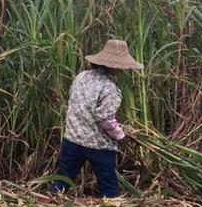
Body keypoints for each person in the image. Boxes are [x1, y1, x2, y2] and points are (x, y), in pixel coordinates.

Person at [50, 39, 142, 198]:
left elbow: (73, 99)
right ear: (115, 67)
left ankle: (49, 203)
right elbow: (104, 119)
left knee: (63, 180)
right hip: (98, 146)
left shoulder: (81, 76)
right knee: (109, 186)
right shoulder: (111, 89)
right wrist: (120, 134)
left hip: (72, 139)